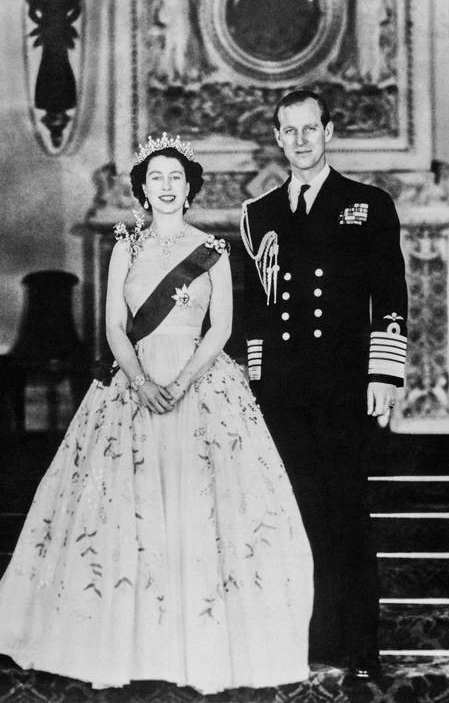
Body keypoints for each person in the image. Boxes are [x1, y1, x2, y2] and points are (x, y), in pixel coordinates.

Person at [0, 133, 313, 694]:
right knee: (125, 510)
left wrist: (184, 381)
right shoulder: (126, 246)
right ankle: (129, 642)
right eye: (155, 179)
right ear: (142, 190)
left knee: (205, 512)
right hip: (134, 381)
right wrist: (142, 383)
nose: (166, 188)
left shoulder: (213, 251)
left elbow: (221, 328)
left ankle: (202, 647)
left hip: (203, 382)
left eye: (175, 178)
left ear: (189, 188)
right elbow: (116, 327)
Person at [241, 90, 408, 679]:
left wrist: (384, 373)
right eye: (290, 130)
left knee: (348, 512)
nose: (302, 139)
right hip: (283, 389)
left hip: (343, 386)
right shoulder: (257, 213)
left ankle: (361, 651)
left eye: (312, 128)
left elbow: (389, 295)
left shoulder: (366, 204)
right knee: (298, 513)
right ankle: (312, 643)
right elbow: (256, 309)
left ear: (329, 131)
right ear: (279, 137)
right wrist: (256, 383)